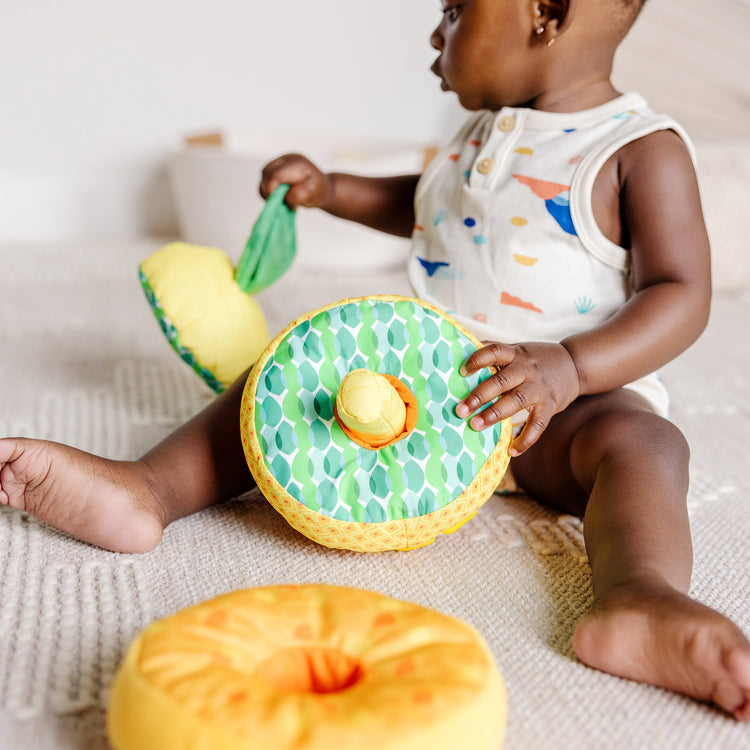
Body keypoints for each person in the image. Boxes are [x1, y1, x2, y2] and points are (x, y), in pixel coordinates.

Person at [2, 0, 750, 720]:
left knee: (646, 444)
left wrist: (572, 369)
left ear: (545, 12)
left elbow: (679, 291)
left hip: (556, 413)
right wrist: (333, 192)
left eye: (455, 10)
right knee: (286, 378)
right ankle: (147, 490)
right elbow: (423, 204)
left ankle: (639, 597)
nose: (435, 34)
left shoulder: (638, 149)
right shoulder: (477, 134)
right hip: (424, 396)